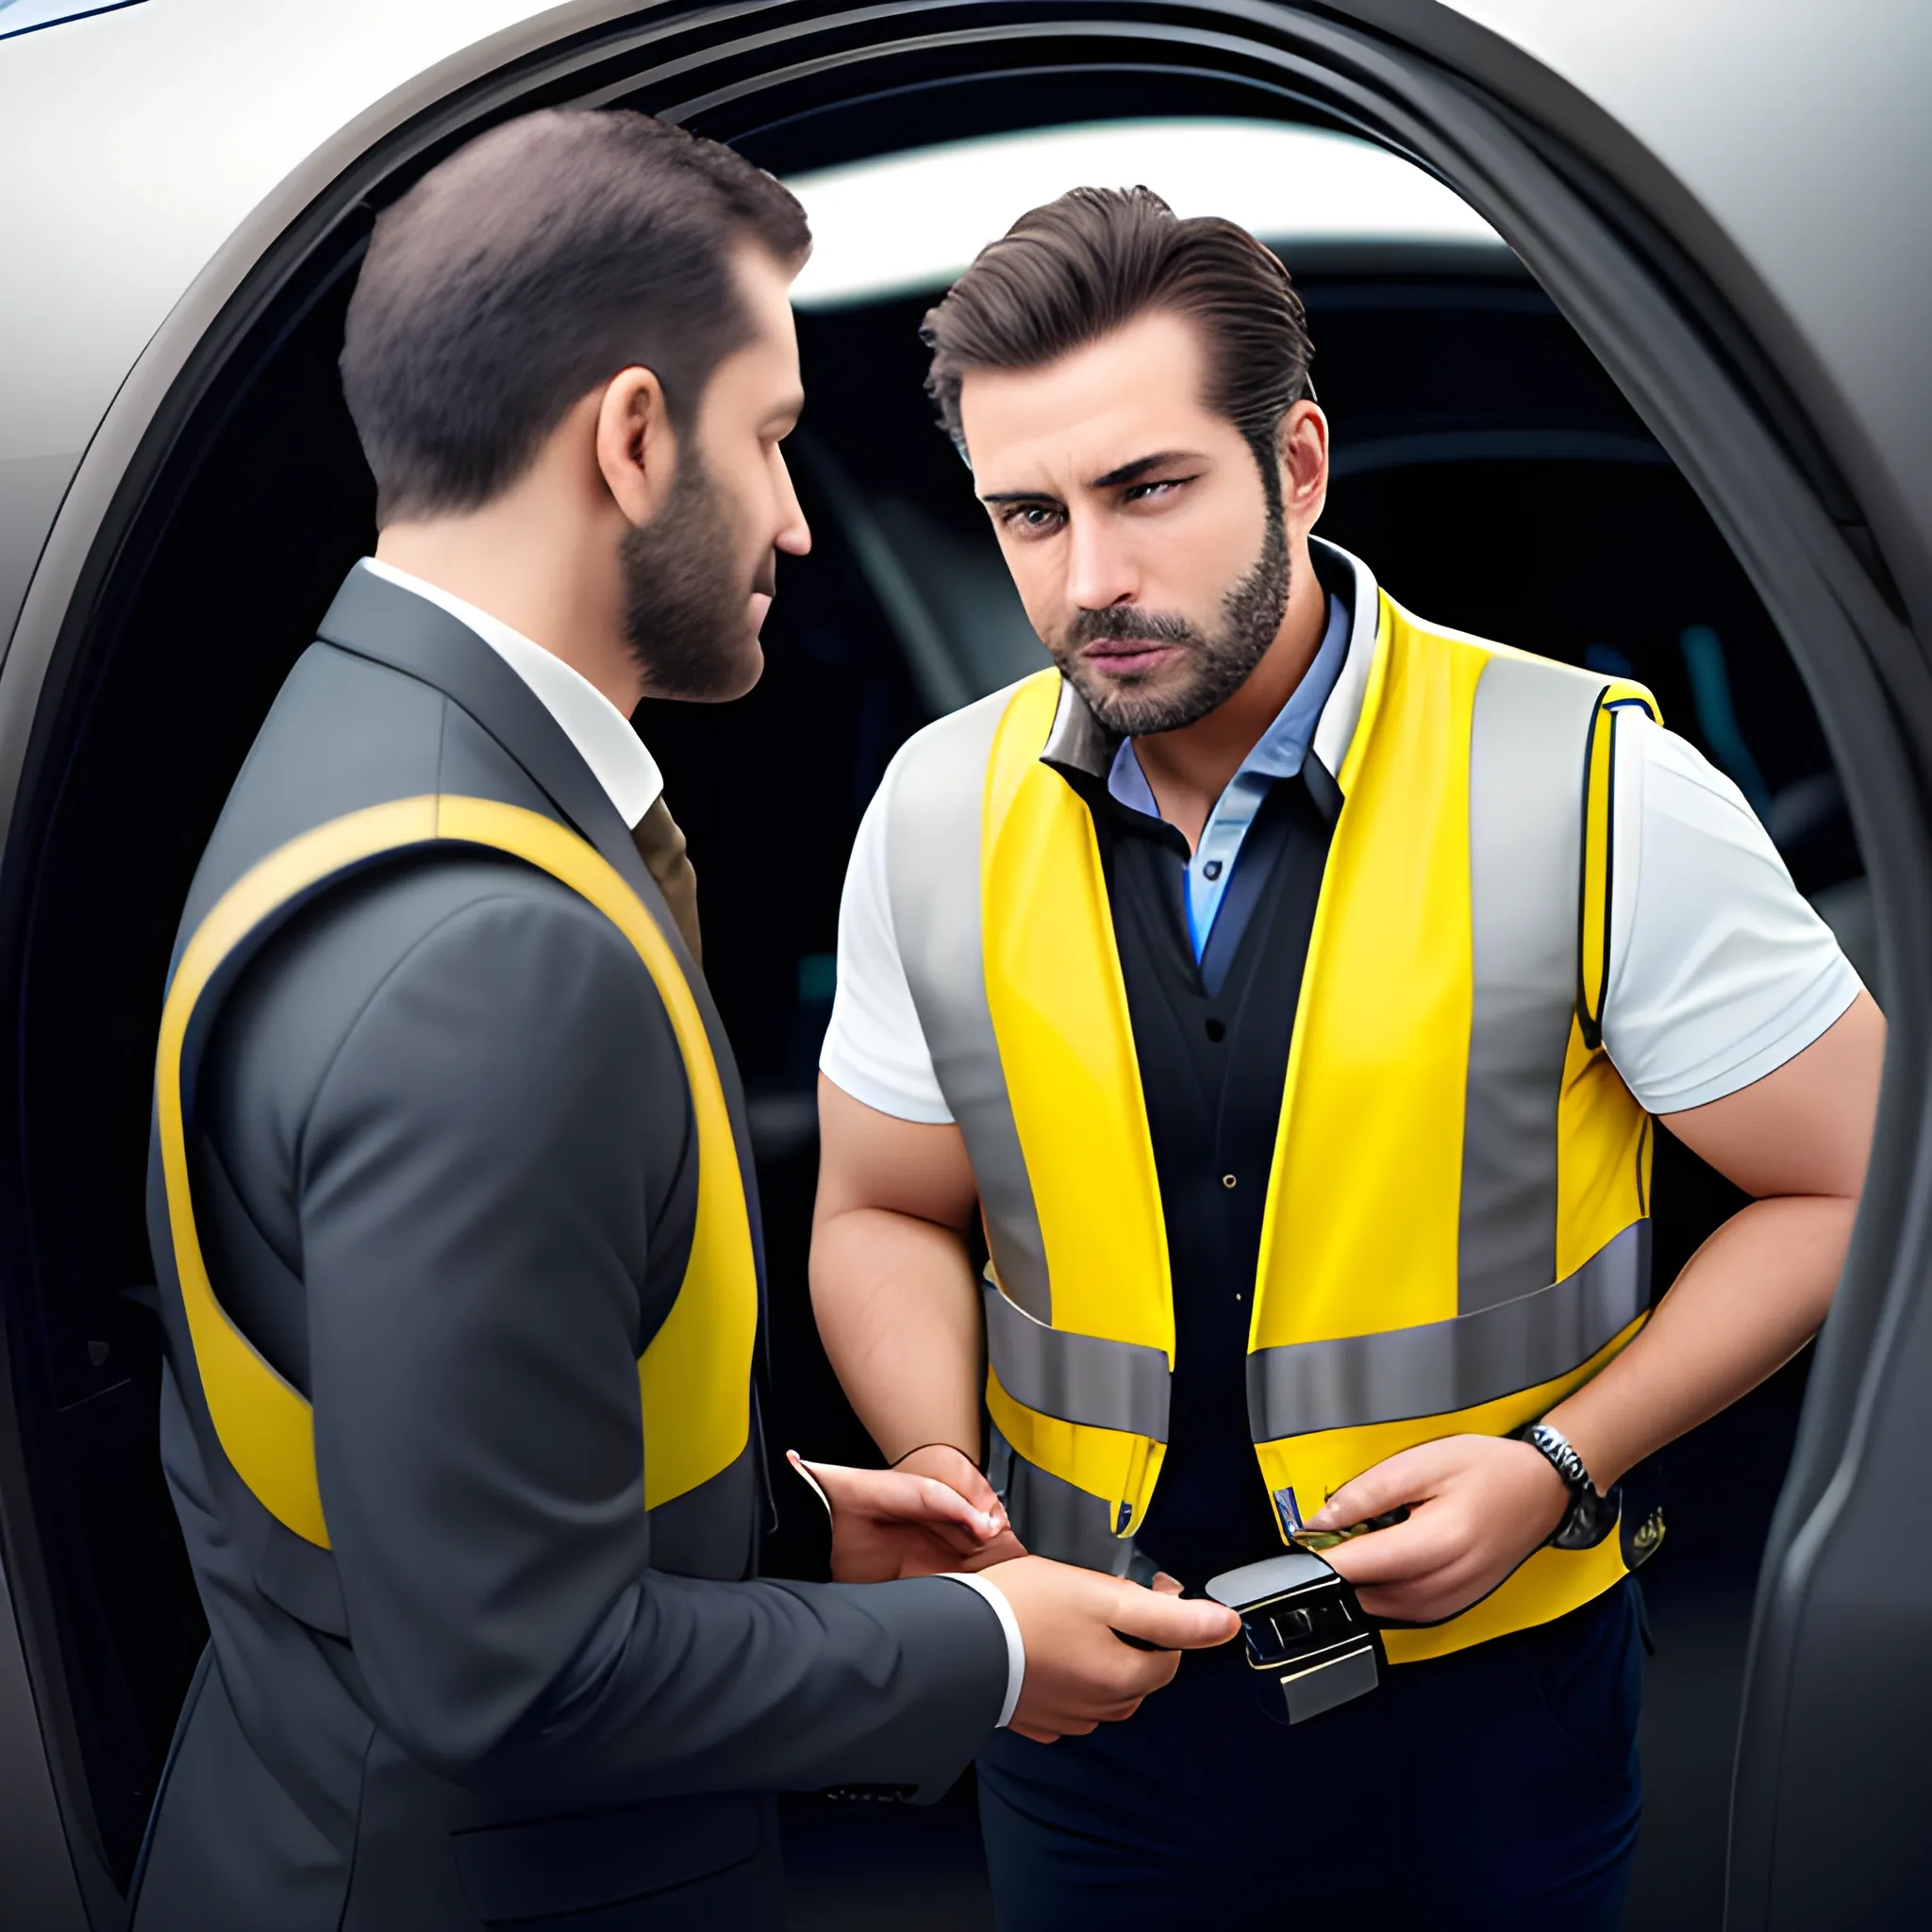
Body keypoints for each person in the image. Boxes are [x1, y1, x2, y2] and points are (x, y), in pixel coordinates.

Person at [132, 118, 1237, 1932]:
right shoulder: (495, 953)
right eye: (775, 441)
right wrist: (976, 1644)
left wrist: (787, 1530)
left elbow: (418, 1468)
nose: (799, 518)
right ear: (635, 439)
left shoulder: (346, 759)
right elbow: (508, 1680)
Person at [810, 185, 1885, 1929]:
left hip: (1487, 1716)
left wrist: (1559, 1466)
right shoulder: (934, 810)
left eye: (1150, 489)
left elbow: (1852, 1179)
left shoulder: (1588, 781)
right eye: (1028, 514)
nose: (1090, 579)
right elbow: (877, 1209)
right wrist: (943, 1470)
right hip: (1087, 1710)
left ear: (1298, 466)